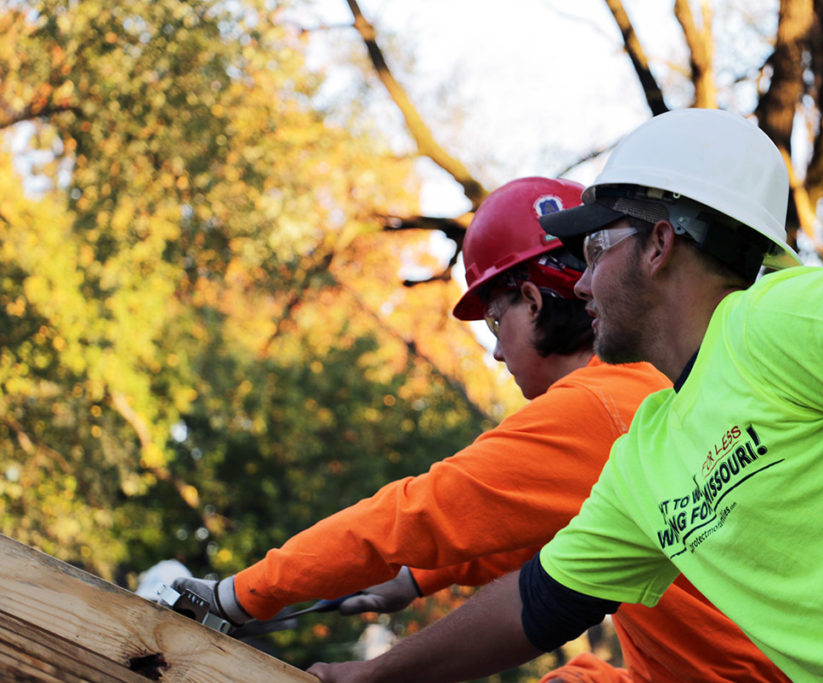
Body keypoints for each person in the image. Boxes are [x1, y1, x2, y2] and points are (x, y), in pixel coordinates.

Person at [305, 109, 823, 683]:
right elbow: (535, 605)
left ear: (658, 244)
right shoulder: (650, 451)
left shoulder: (779, 318)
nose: (579, 284)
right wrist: (370, 676)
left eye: (592, 251)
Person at [170, 176, 788, 682]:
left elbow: (418, 512)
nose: (495, 354)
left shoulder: (594, 408)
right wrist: (413, 579)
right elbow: (547, 541)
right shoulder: (645, 396)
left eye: (495, 323)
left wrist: (237, 596)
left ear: (535, 301)